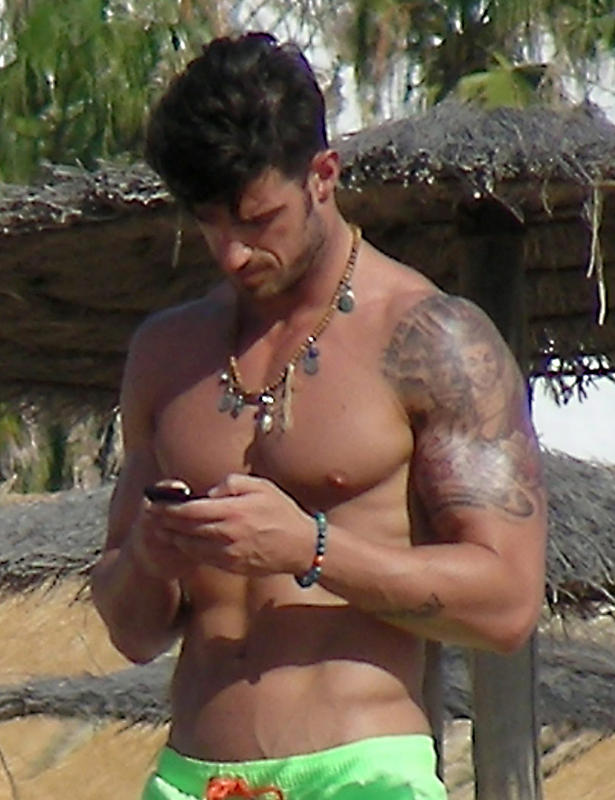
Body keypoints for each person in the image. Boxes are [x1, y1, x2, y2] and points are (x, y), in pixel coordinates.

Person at [91, 31, 547, 800]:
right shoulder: (167, 354)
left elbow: (506, 605)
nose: (233, 254)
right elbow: (131, 633)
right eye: (210, 224)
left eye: (258, 220)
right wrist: (149, 555)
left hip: (360, 774)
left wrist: (309, 546)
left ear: (322, 176)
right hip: (190, 777)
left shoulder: (430, 340)